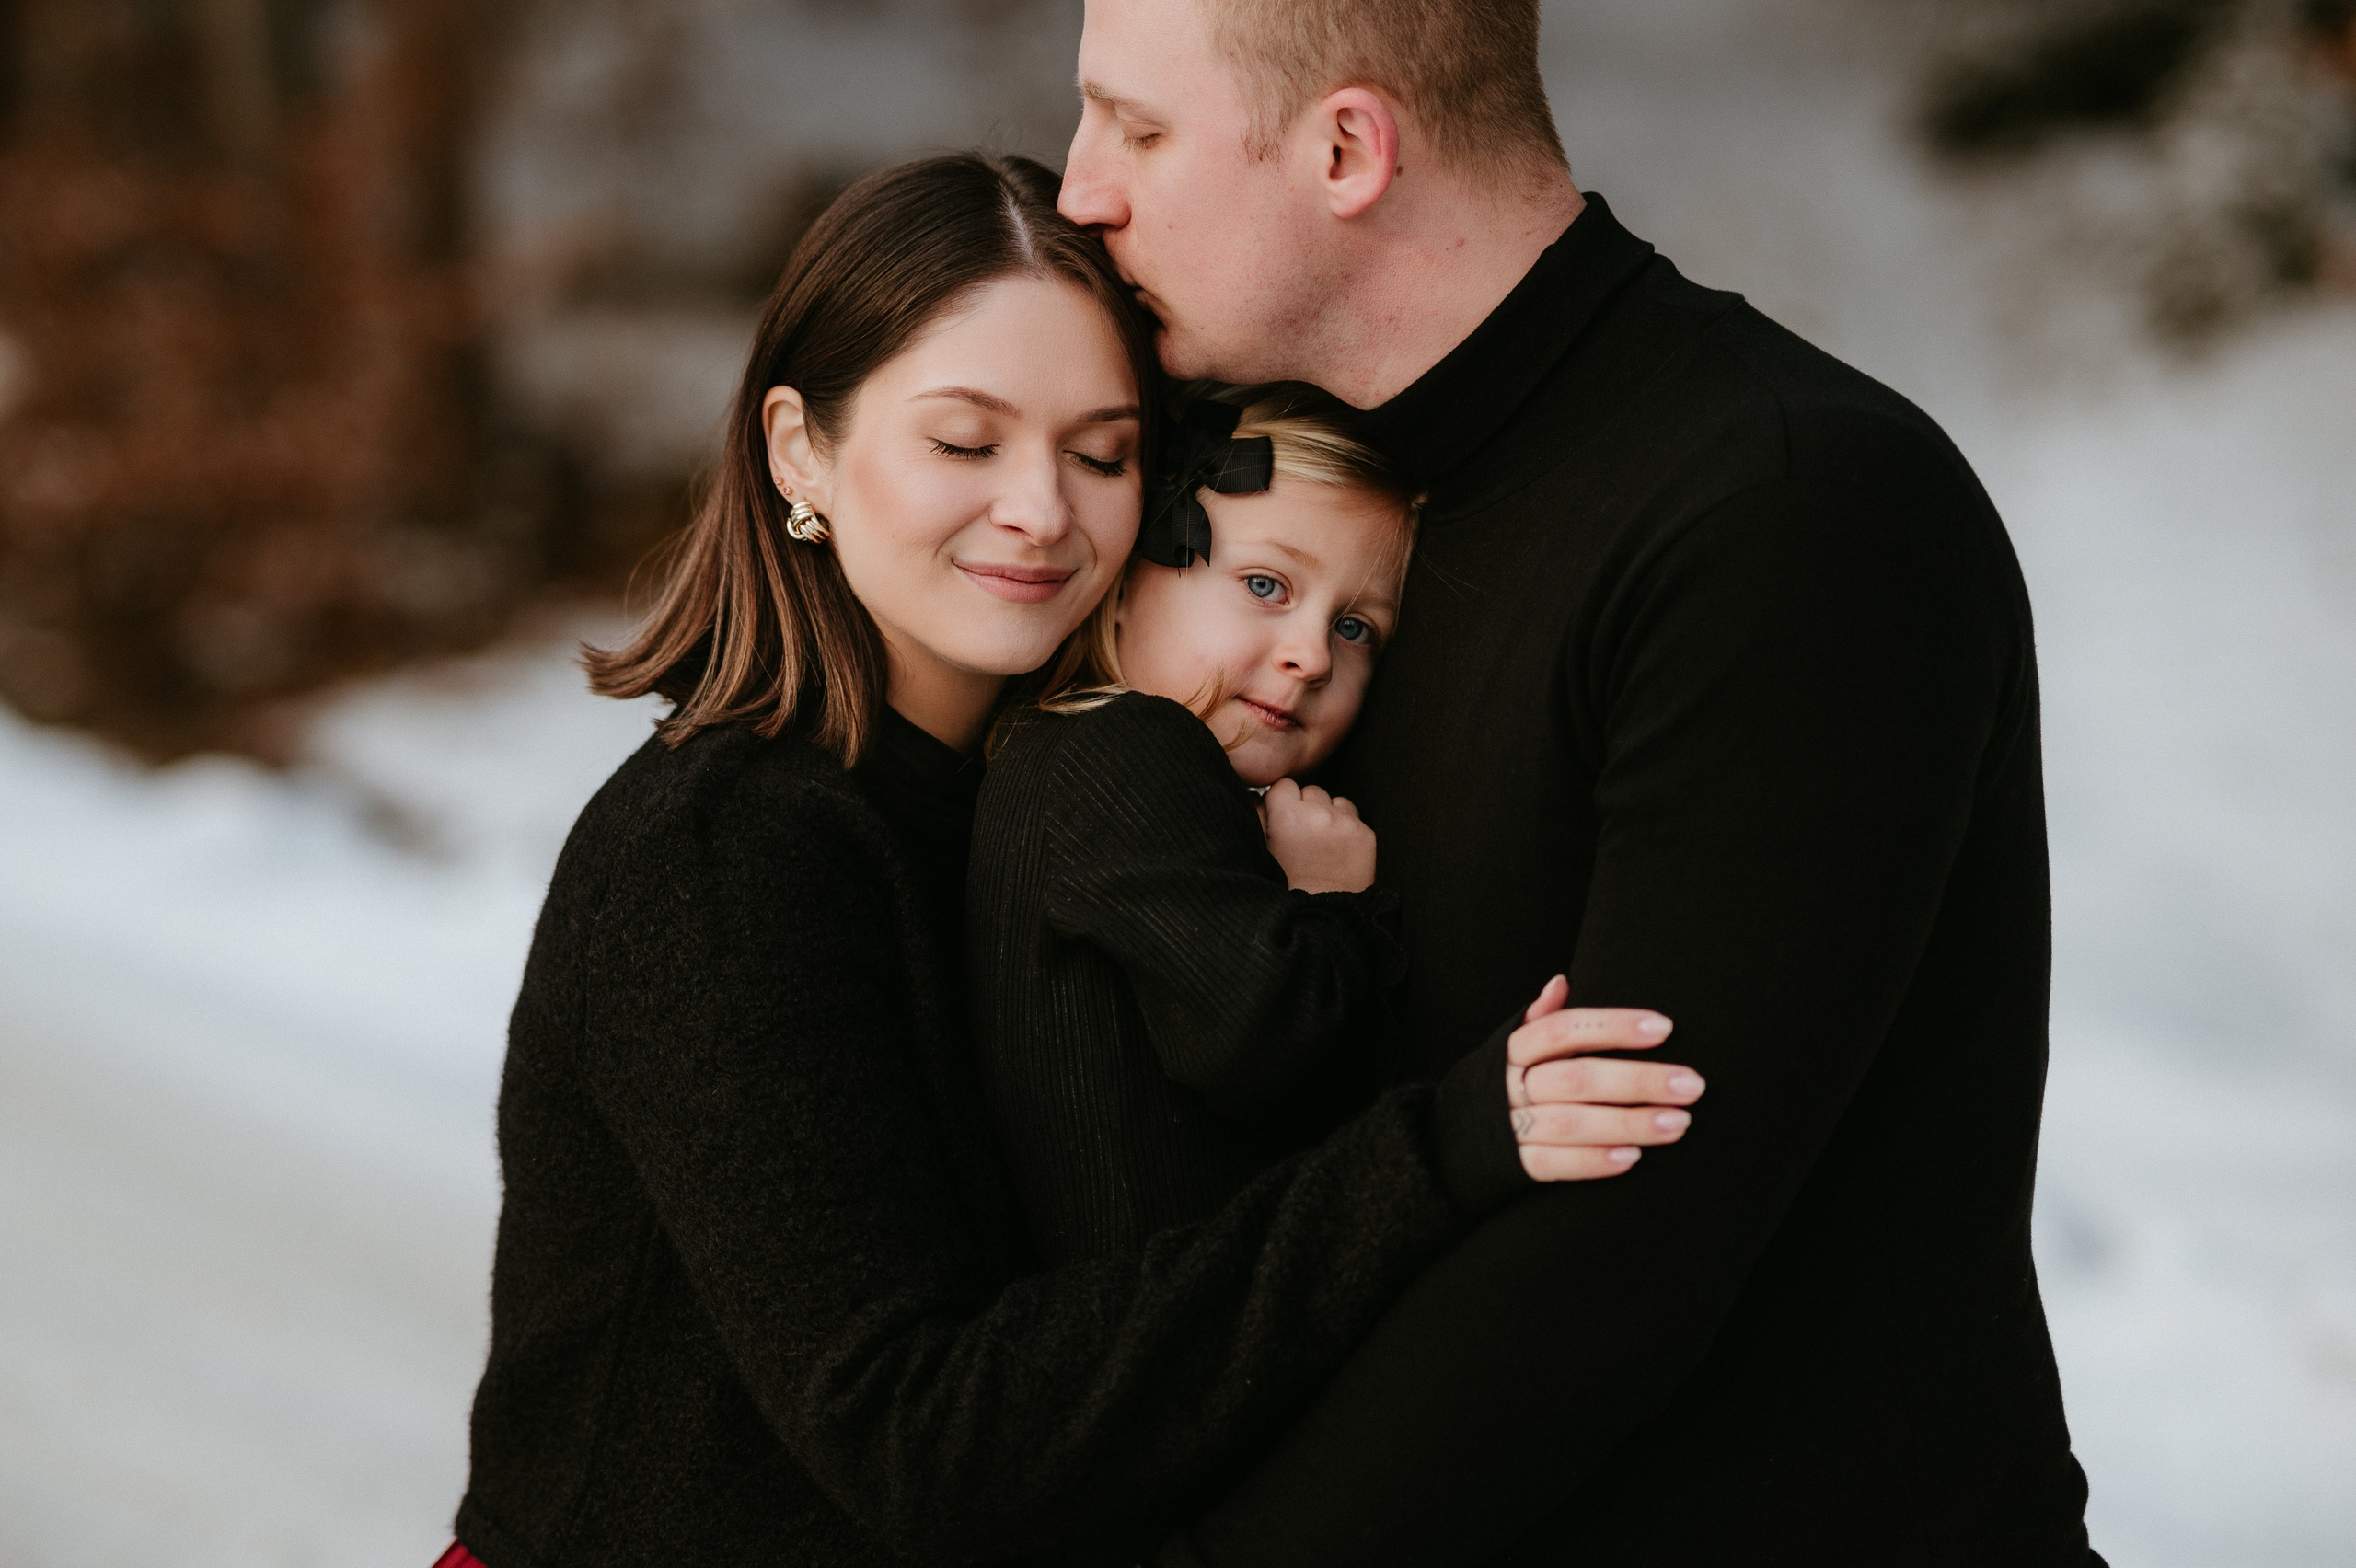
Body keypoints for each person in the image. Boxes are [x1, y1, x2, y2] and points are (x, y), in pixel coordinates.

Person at [443, 152, 1703, 1568]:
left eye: (1102, 454)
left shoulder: (1040, 797)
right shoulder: (729, 852)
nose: (1043, 510)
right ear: (801, 450)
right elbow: (925, 1434)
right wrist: (1426, 1161)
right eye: (968, 443)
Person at [1057, 1, 2103, 1564]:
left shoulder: (1788, 511)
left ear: (1349, 147)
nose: (1084, 188)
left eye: (1137, 128)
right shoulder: (1286, 520)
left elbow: (1619, 1251)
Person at [971, 386, 1688, 1270]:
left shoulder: (1100, 763)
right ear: (1124, 580)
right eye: (1265, 585)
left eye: (1355, 628)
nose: (1312, 655)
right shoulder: (1119, 749)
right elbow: (1265, 1048)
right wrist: (1330, 905)